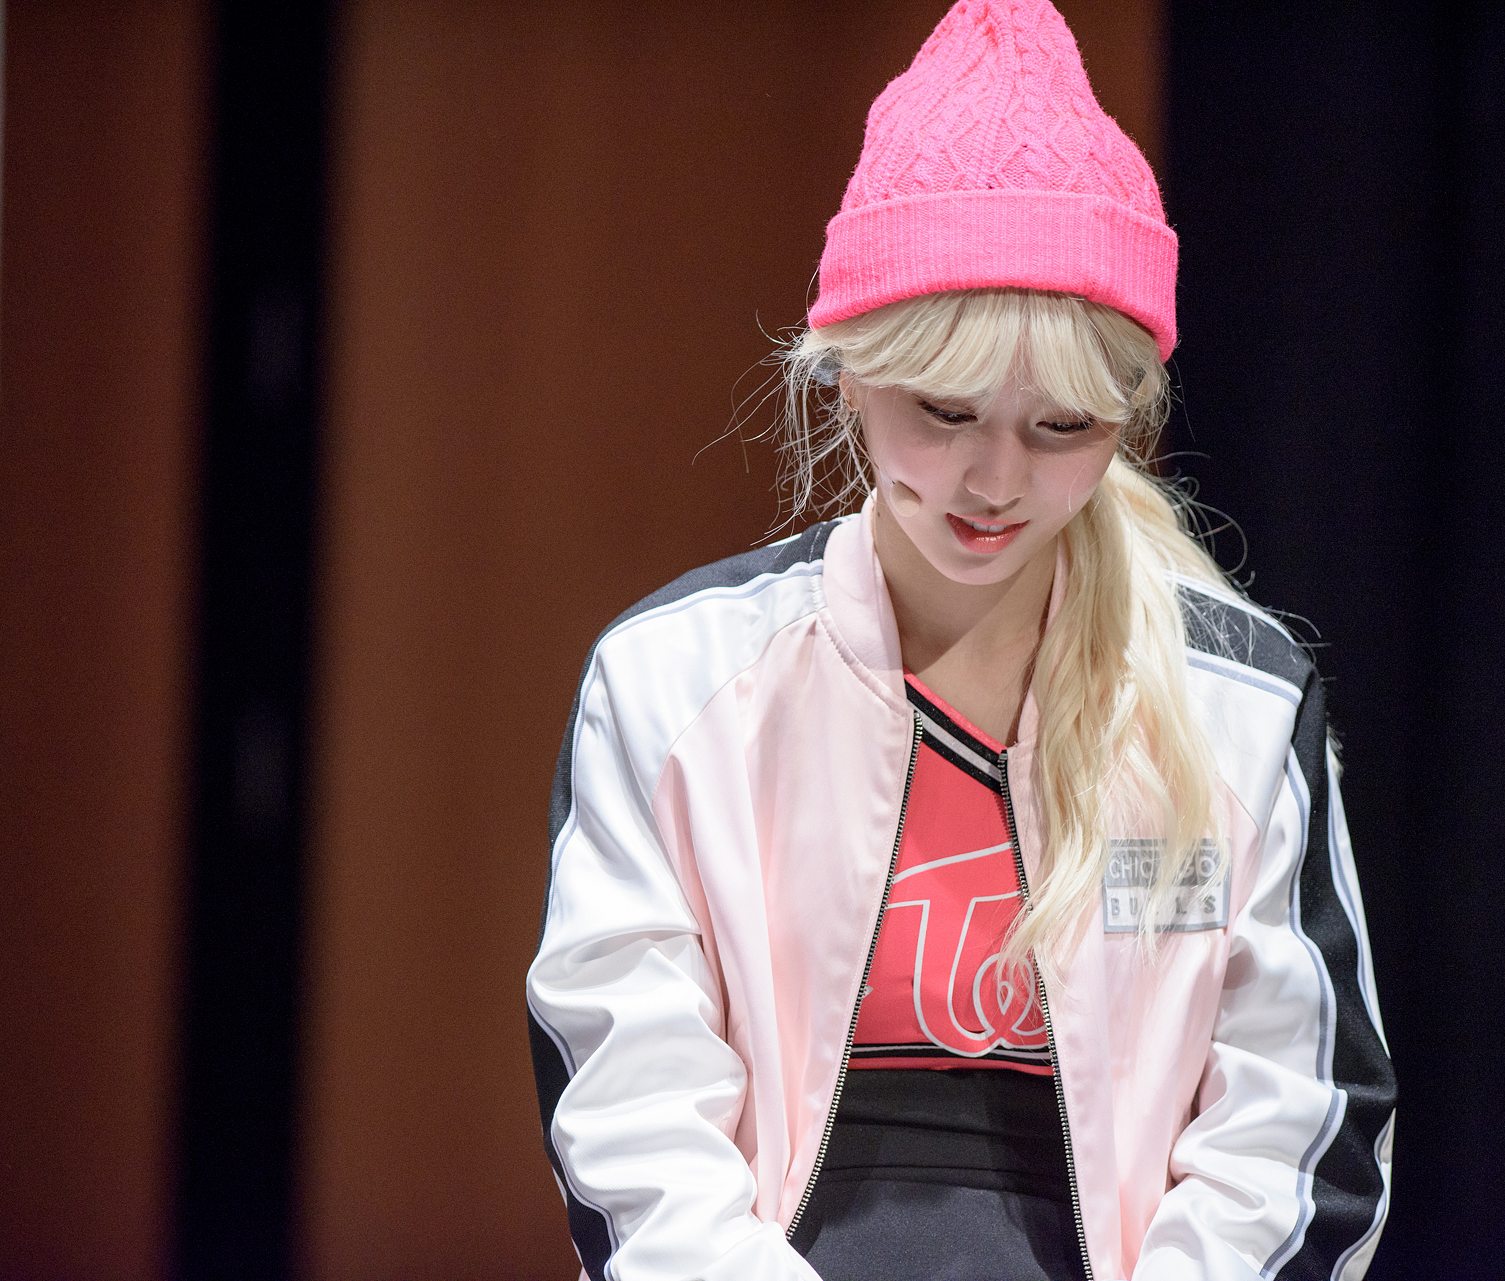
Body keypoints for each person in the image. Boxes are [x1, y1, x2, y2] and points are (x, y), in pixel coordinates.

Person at [527, 3, 1396, 1278]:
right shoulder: (673, 687)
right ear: (848, 373)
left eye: (1063, 428)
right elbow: (631, 1118)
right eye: (944, 411)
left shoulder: (1237, 708)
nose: (995, 480)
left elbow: (1301, 1127)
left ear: (1130, 414)